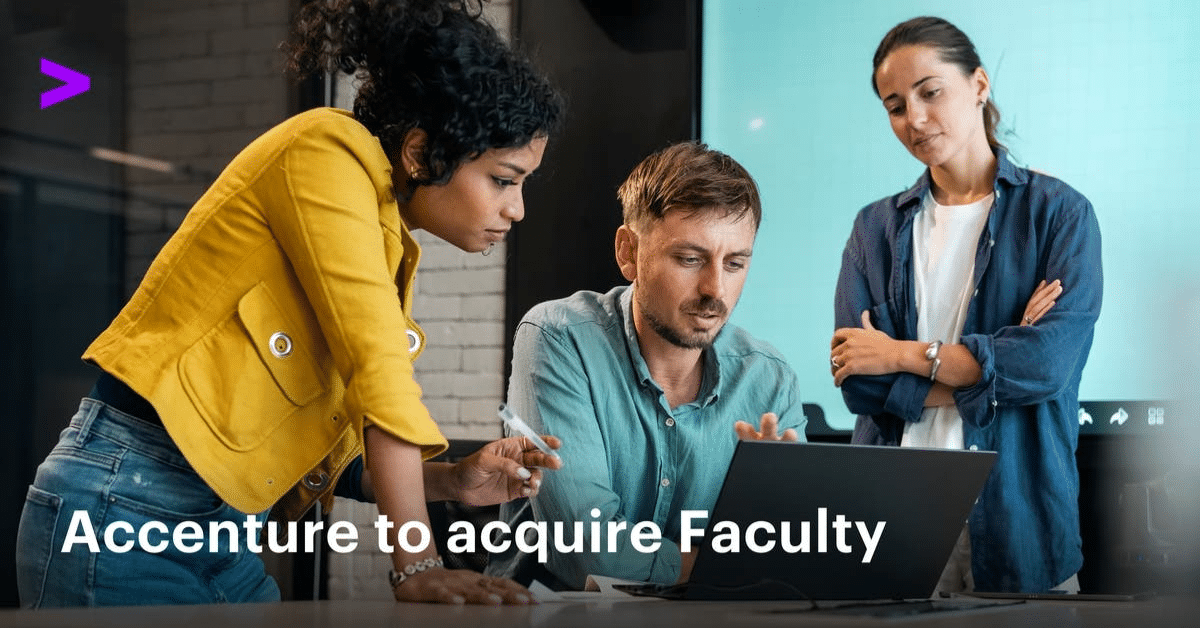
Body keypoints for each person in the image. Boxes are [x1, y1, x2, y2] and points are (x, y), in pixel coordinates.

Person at [16, 0, 565, 608]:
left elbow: (320, 444)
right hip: (122, 508)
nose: (516, 209)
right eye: (504, 179)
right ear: (419, 152)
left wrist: (452, 482)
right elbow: (378, 372)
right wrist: (417, 563)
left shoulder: (380, 226)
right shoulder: (327, 150)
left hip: (218, 533)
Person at [829, 16, 1102, 593]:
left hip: (1020, 523)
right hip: (893, 522)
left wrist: (900, 355)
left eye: (930, 92)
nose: (914, 118)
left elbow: (1046, 366)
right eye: (895, 106)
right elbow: (859, 385)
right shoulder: (874, 228)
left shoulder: (1058, 214)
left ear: (978, 84)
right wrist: (998, 365)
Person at [486, 142, 806, 590]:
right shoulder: (559, 338)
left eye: (734, 263)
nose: (715, 290)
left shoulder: (769, 379)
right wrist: (734, 561)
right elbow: (588, 554)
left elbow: (798, 549)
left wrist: (773, 516)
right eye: (689, 259)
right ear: (628, 252)